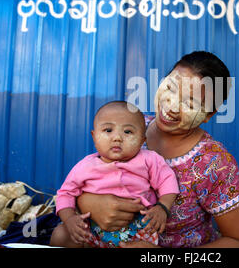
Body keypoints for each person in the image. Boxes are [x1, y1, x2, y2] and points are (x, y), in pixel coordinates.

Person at [77, 51, 239, 248]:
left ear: (208, 114)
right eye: (170, 88)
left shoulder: (215, 164)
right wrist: (87, 203)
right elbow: (85, 178)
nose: (171, 106)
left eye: (189, 103)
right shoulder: (129, 128)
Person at [50, 101, 179, 248]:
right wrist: (70, 219)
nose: (117, 137)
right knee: (60, 235)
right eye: (108, 130)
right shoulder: (85, 166)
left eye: (128, 132)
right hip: (92, 230)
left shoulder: (149, 159)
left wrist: (163, 207)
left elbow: (167, 181)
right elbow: (65, 193)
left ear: (142, 140)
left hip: (137, 230)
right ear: (94, 136)